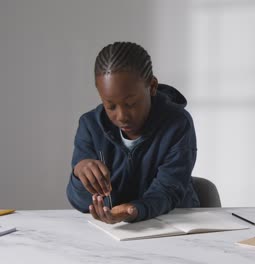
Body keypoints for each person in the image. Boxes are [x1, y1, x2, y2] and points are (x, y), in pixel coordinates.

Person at [66, 42, 200, 224]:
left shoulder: (177, 124)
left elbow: (167, 191)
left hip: (175, 226)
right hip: (116, 232)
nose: (122, 116)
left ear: (152, 86)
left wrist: (134, 210)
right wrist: (80, 173)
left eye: (131, 104)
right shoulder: (90, 126)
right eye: (110, 106)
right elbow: (81, 203)